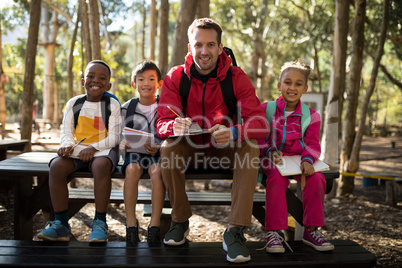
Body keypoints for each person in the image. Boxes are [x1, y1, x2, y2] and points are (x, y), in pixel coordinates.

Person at [156, 18, 269, 263]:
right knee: (167, 148)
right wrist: (173, 125)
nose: (204, 51)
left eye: (210, 45)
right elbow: (162, 122)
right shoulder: (175, 77)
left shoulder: (236, 77)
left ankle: (235, 231)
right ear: (190, 47)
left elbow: (260, 123)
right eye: (198, 45)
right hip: (190, 147)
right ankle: (180, 220)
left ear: (220, 47)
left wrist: (235, 132)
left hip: (224, 146)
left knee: (249, 147)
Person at [37, 60, 121, 243]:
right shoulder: (74, 103)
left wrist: (93, 148)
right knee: (57, 166)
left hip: (103, 150)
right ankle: (60, 224)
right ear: (83, 81)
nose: (95, 80)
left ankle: (100, 222)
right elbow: (66, 132)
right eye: (90, 76)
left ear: (108, 84)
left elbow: (114, 137)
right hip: (78, 150)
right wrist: (67, 145)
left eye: (102, 78)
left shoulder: (111, 104)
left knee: (99, 166)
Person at [258, 59, 334, 253]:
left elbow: (313, 144)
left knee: (317, 179)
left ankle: (311, 230)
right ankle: (274, 233)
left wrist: (308, 160)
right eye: (287, 82)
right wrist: (268, 151)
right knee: (275, 178)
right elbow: (257, 138)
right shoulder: (267, 109)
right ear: (279, 85)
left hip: (300, 161)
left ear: (305, 88)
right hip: (272, 159)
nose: (292, 88)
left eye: (298, 84)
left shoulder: (312, 116)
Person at [120, 60, 165, 244]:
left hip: (157, 152)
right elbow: (119, 134)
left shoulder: (166, 107)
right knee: (131, 170)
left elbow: (174, 133)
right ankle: (131, 224)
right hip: (135, 153)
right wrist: (123, 143)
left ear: (159, 84)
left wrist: (160, 146)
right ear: (134, 84)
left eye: (151, 79)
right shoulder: (127, 108)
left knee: (157, 172)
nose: (146, 83)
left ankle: (154, 226)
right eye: (141, 79)